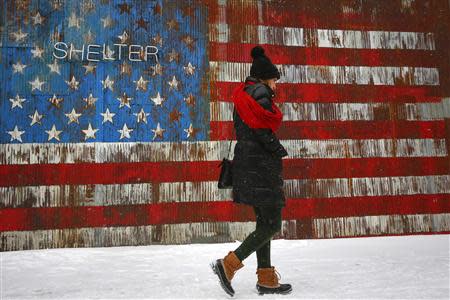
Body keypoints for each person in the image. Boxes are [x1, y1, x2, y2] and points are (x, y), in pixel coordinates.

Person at [211, 46, 292, 296]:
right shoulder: (260, 92)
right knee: (271, 224)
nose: (276, 85)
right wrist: (277, 148)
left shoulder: (244, 94)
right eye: (274, 80)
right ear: (266, 78)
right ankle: (228, 265)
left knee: (264, 221)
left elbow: (250, 127)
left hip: (248, 164)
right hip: (260, 167)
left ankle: (266, 279)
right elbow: (260, 128)